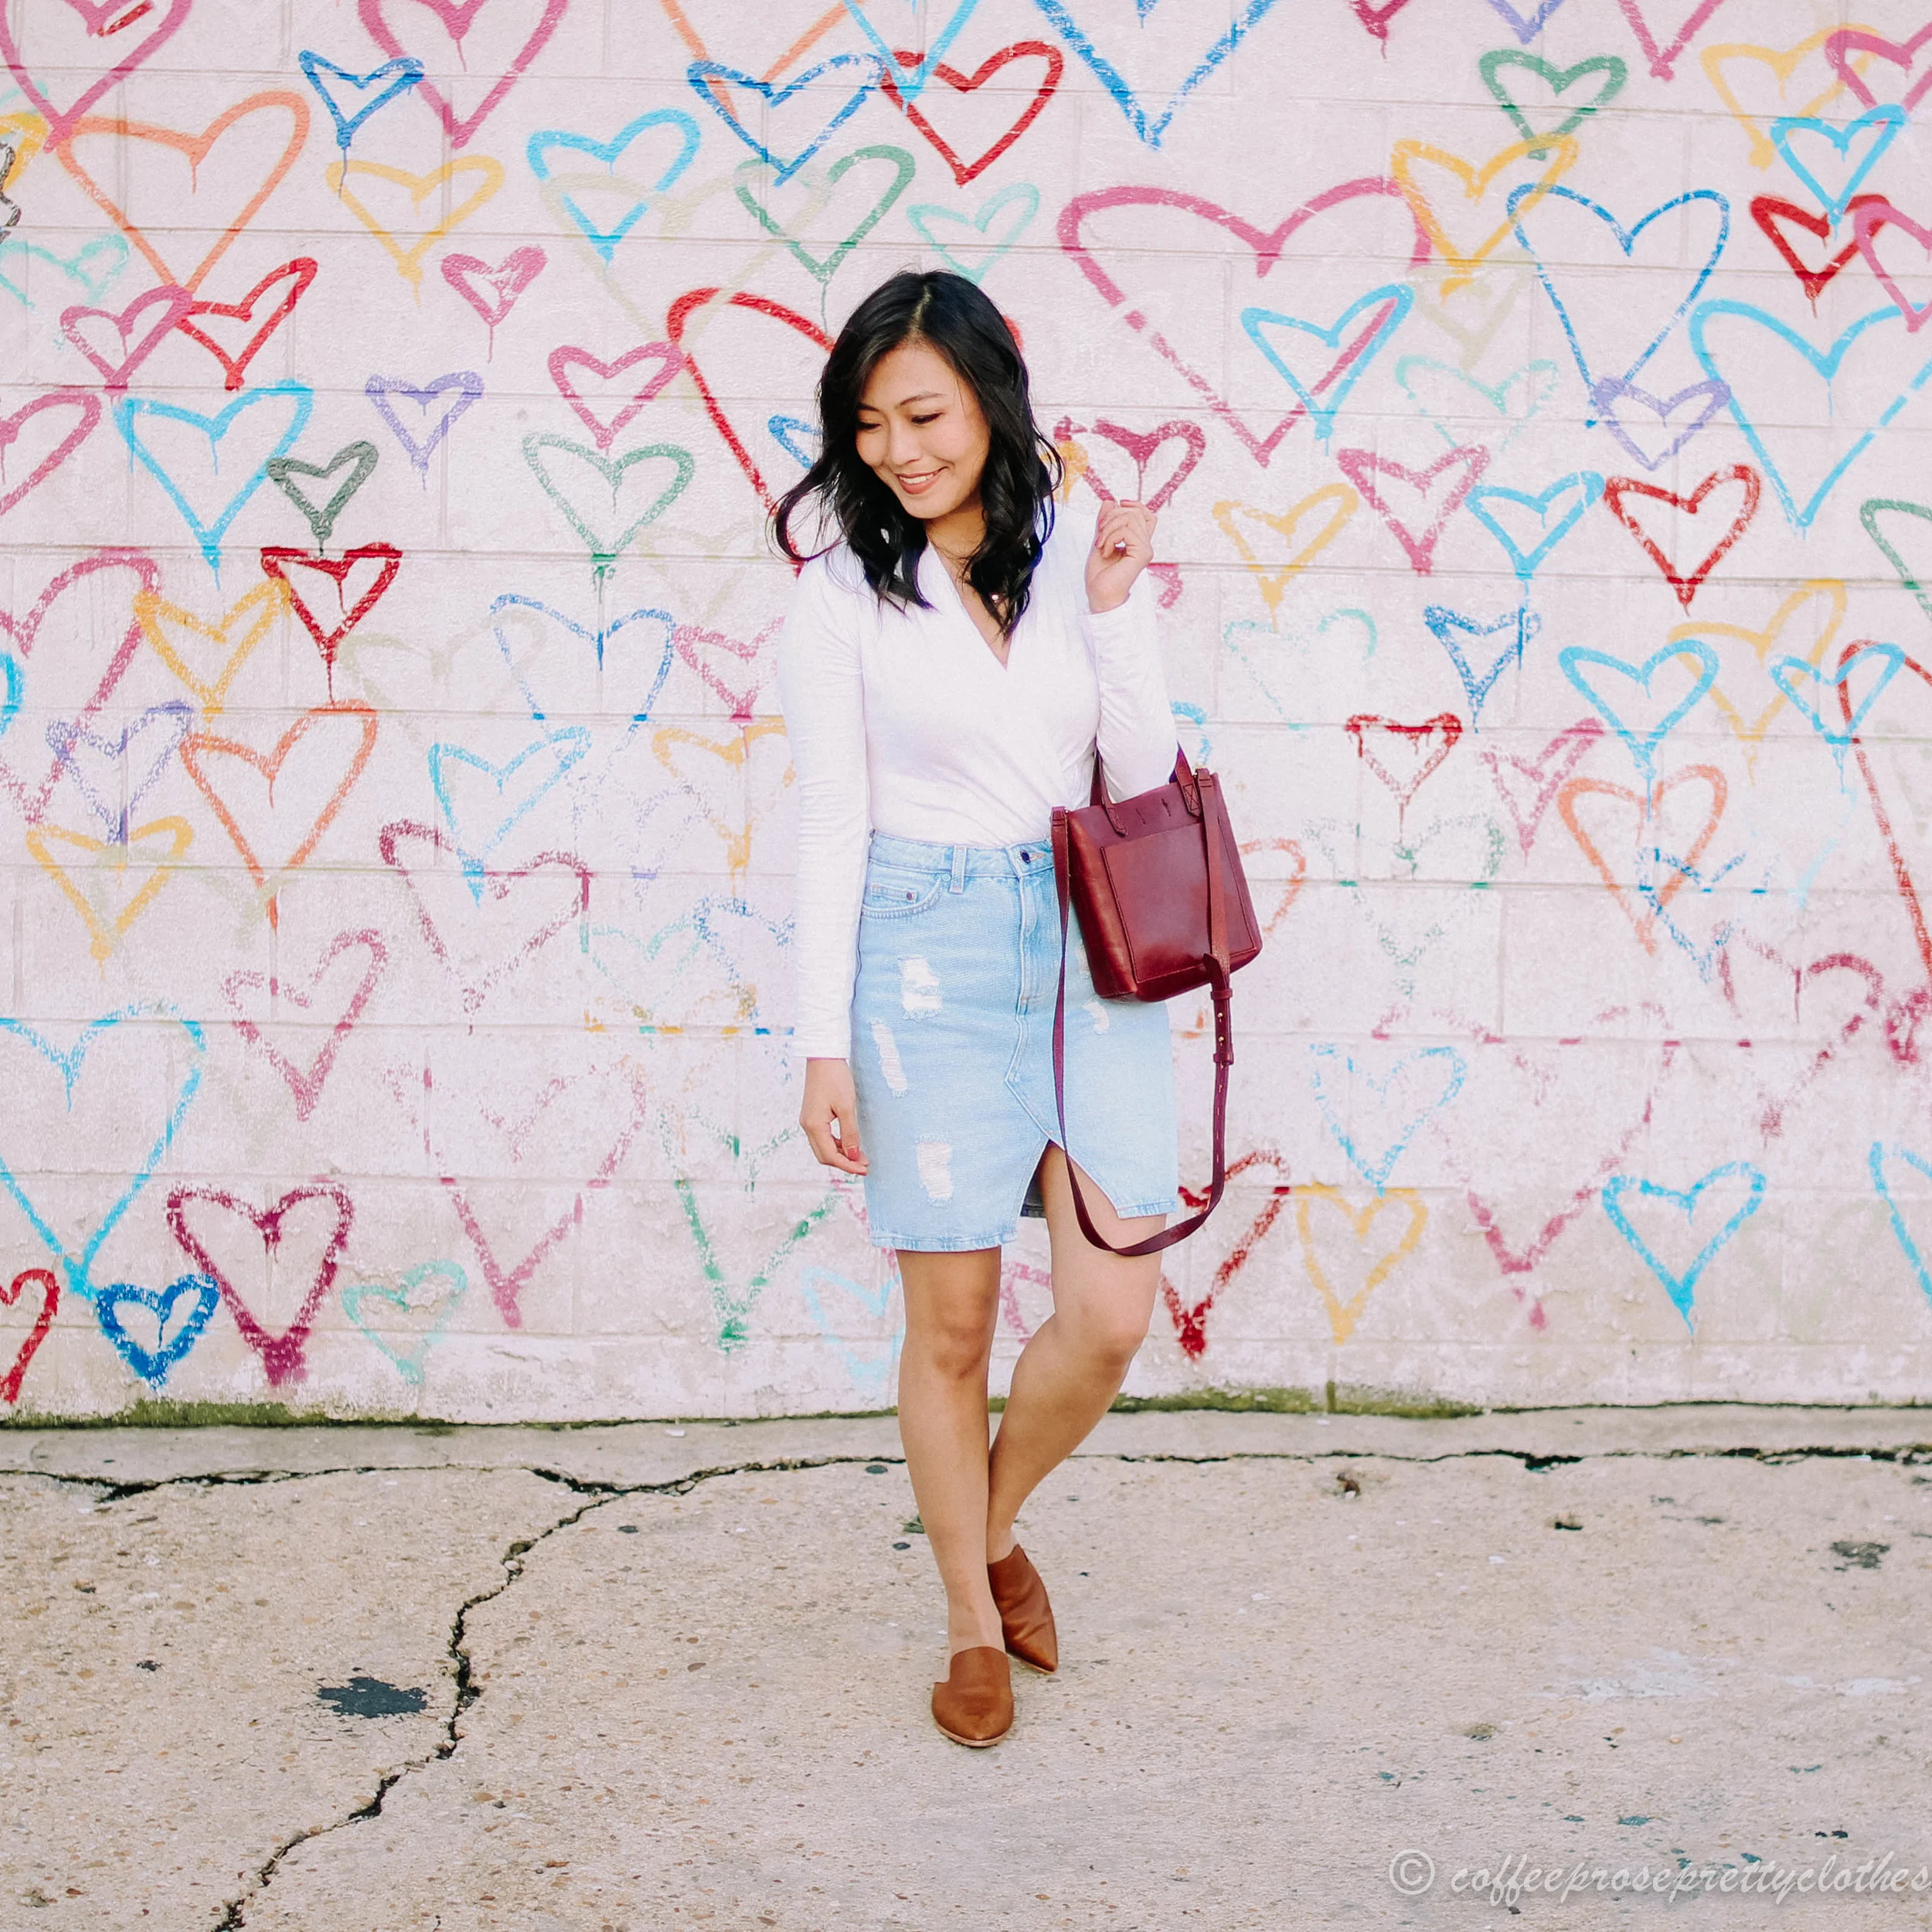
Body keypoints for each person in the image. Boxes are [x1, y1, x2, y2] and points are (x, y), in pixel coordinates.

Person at [773, 269, 1179, 1747]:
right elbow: (830, 825)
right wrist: (823, 1041)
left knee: (1111, 1313)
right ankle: (966, 1613)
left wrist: (1121, 612)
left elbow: (1140, 785)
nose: (899, 448)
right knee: (947, 1329)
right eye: (870, 423)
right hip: (921, 950)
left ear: (993, 399)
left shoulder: (1085, 547)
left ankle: (988, 1524)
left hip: (1088, 949)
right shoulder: (838, 595)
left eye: (925, 412)